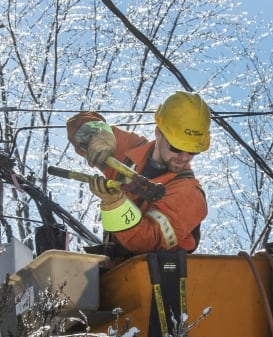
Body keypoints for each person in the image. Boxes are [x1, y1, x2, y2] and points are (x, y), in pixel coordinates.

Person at [66, 91, 210, 258]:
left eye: (192, 151)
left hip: (151, 278)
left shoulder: (190, 195)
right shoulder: (131, 150)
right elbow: (77, 125)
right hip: (114, 269)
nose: (184, 158)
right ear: (158, 132)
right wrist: (96, 133)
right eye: (176, 148)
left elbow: (145, 243)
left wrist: (116, 204)